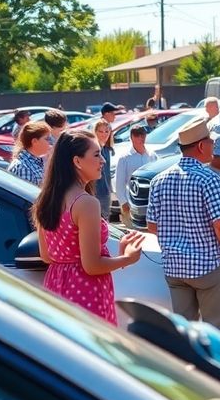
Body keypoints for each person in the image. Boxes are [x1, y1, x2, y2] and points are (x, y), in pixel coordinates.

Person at [33, 130, 145, 324]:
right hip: (85, 292)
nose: (102, 160)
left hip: (55, 286)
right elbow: (92, 266)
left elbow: (46, 255)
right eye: (96, 154)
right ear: (77, 161)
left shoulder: (47, 198)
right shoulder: (85, 203)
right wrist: (127, 258)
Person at [147, 119, 220, 338]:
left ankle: (188, 372)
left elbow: (152, 225)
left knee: (184, 336)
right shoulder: (209, 179)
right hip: (208, 266)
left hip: (175, 268)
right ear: (200, 146)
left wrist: (176, 238)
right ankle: (213, 373)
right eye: (211, 142)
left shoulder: (159, 180)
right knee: (215, 334)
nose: (214, 146)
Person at [115, 126, 157, 225]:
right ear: (131, 137)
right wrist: (123, 202)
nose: (141, 138)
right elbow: (119, 183)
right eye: (137, 135)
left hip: (149, 203)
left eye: (143, 135)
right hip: (131, 203)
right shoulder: (124, 158)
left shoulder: (152, 155)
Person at [7, 122, 51, 186]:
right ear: (34, 141)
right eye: (47, 139)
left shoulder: (38, 160)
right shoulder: (23, 167)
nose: (50, 143)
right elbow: (25, 195)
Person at [92, 120, 115, 220]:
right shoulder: (94, 149)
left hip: (106, 192)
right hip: (96, 192)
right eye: (100, 131)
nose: (104, 134)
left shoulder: (106, 149)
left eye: (107, 131)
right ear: (95, 132)